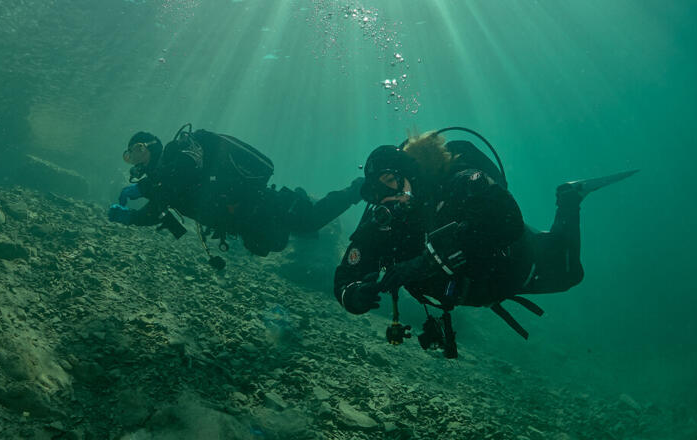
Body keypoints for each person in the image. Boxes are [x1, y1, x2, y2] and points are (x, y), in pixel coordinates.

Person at [334, 129, 637, 355]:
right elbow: (346, 275)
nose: (387, 198)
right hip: (478, 289)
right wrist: (354, 296)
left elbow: (508, 220)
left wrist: (426, 262)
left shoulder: (460, 182)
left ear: (411, 173)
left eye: (391, 181)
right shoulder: (383, 222)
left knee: (570, 273)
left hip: (517, 266)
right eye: (377, 192)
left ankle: (569, 198)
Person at [108, 123, 364, 263]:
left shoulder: (177, 151)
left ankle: (359, 188)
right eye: (129, 155)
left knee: (308, 222)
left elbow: (184, 170)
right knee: (282, 240)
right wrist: (130, 217)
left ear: (152, 147)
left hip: (259, 205)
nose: (135, 159)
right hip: (243, 222)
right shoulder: (160, 183)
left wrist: (142, 188)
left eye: (138, 150)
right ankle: (302, 201)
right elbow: (156, 211)